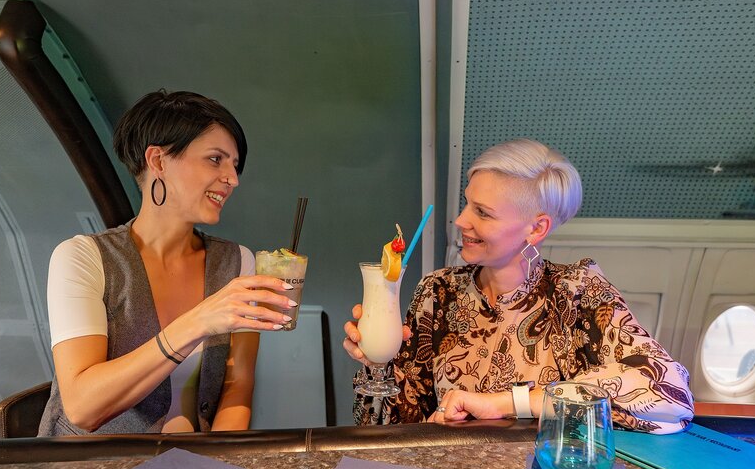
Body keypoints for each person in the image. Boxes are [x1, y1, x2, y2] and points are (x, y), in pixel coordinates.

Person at [344, 139, 694, 434]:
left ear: (536, 229)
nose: (461, 220)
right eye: (467, 203)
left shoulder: (576, 290)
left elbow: (669, 395)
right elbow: (384, 430)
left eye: (483, 212)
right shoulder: (436, 293)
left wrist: (505, 403)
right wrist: (377, 366)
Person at [38, 90, 294, 435]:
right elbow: (83, 408)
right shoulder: (82, 258)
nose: (233, 179)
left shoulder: (238, 261)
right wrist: (198, 321)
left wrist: (218, 465)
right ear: (158, 161)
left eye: (235, 165)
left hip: (193, 467)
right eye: (216, 159)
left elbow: (237, 389)